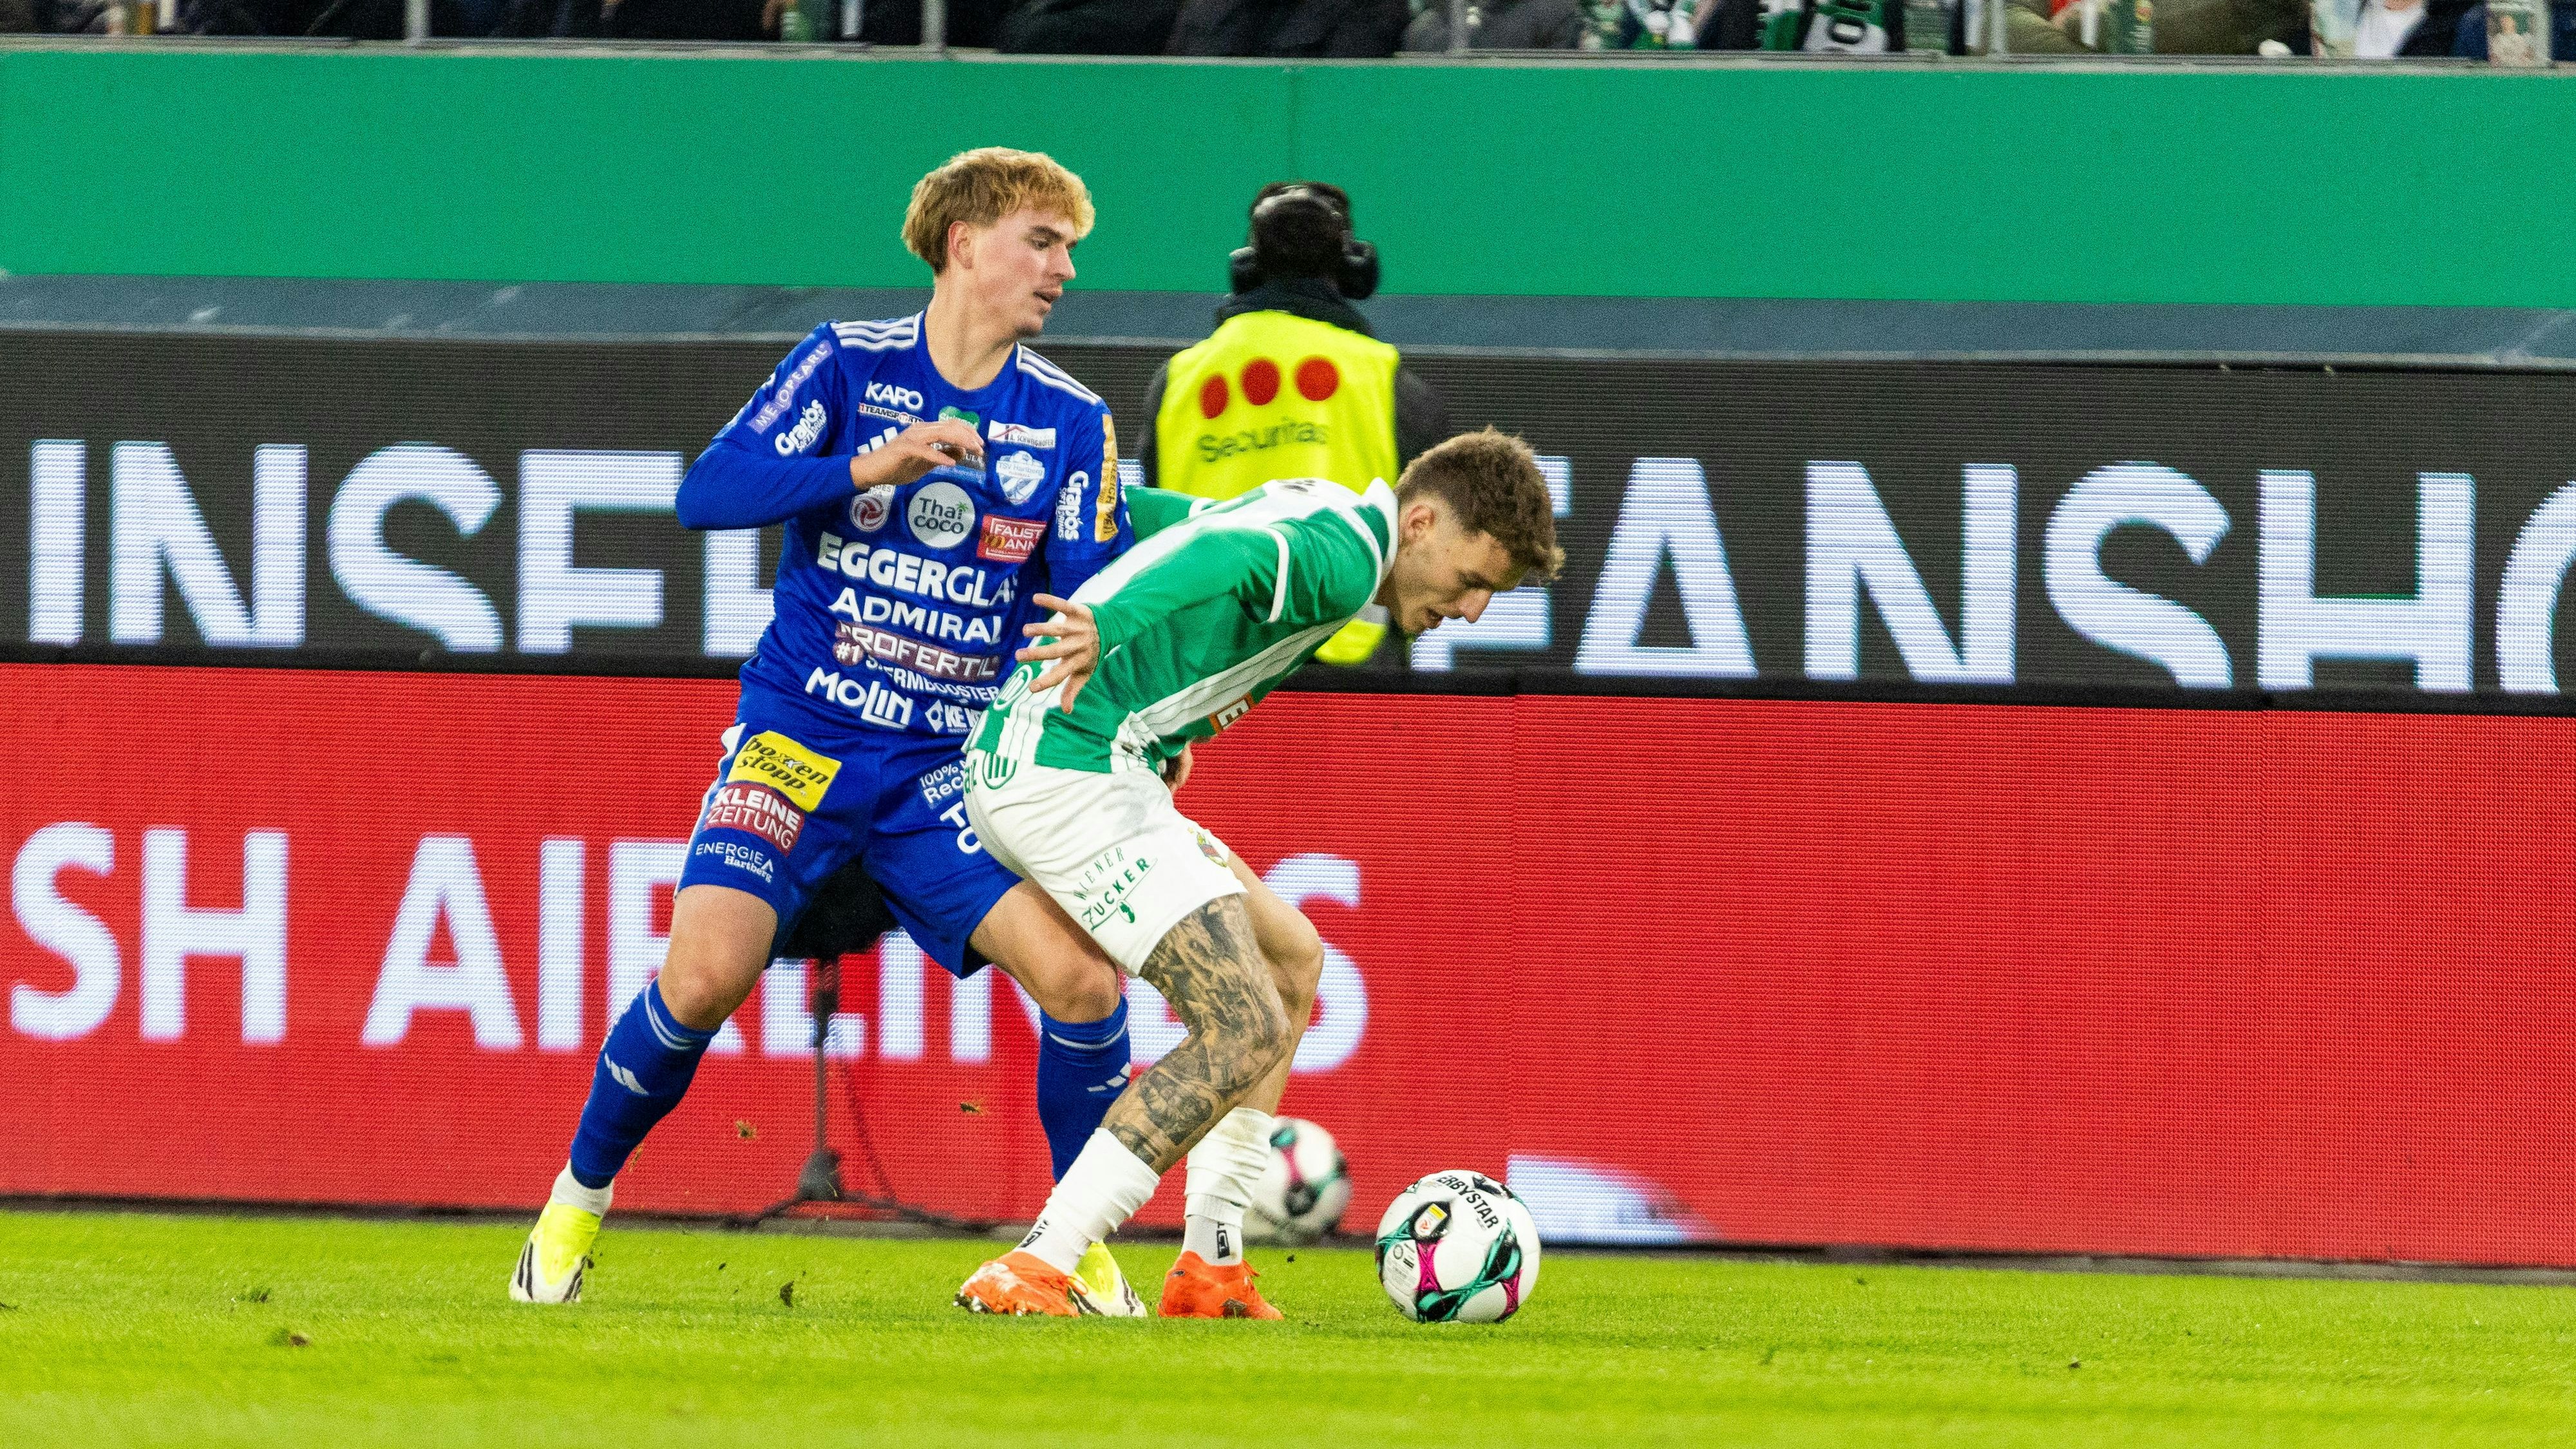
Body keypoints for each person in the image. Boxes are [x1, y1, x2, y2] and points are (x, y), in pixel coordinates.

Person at [511, 147, 1147, 1313]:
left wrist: (1128, 676)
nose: (1064, 270)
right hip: (801, 736)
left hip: (946, 771)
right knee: (701, 982)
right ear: (966, 244)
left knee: (1085, 983)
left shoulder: (1071, 421)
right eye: (1043, 242)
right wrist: (868, 463)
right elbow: (707, 494)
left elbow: (1091, 601)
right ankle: (571, 1208)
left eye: (1068, 250)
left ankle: (1070, 1240)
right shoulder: (848, 365)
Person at [952, 429, 1562, 1318]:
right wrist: (1109, 627)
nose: (1471, 611)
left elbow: (1156, 520)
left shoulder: (1321, 510)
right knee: (1240, 1023)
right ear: (1421, 521)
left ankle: (1211, 1265)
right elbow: (1220, 552)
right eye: (1473, 581)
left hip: (1096, 758)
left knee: (1293, 961)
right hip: (1066, 764)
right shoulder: (1352, 554)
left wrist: (1169, 723)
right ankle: (1040, 1261)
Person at [1138, 182, 1453, 667]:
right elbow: (1428, 527)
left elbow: (1153, 506)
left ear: (1247, 265)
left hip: (1201, 665)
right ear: (1354, 268)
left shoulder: (1179, 380)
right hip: (1345, 658)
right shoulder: (1384, 377)